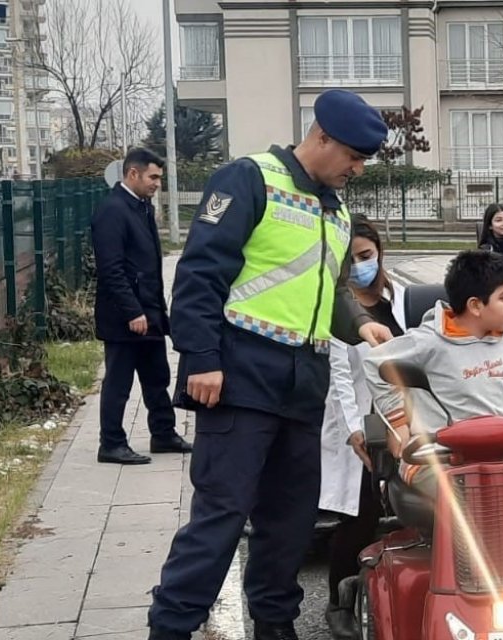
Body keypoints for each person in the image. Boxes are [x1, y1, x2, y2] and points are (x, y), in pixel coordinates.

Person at [147, 89, 395, 640]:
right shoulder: (249, 179)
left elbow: (325, 291)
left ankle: (275, 624)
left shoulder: (336, 209)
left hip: (302, 386)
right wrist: (201, 359)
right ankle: (172, 626)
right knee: (222, 516)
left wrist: (359, 325)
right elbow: (199, 275)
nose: (357, 168)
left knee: (289, 521)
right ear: (321, 136)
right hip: (241, 377)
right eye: (353, 156)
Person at [363, 250, 503, 498]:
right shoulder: (428, 341)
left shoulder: (499, 337)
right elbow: (373, 363)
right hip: (434, 459)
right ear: (475, 306)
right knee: (475, 497)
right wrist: (397, 423)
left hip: (490, 456)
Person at [319, 215, 405, 640]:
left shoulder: (398, 297)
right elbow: (339, 378)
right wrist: (355, 430)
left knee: (410, 502)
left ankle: (398, 589)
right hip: (359, 424)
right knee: (359, 512)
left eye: (366, 256)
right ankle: (339, 601)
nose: (359, 266)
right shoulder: (341, 310)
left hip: (402, 420)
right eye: (351, 260)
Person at [90, 148, 189, 465]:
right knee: (119, 382)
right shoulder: (113, 211)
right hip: (124, 317)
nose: (157, 183)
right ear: (133, 174)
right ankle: (111, 443)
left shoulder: (141, 207)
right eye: (153, 177)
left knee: (157, 375)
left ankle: (163, 433)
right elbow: (111, 269)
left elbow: (148, 267)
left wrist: (158, 312)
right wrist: (132, 311)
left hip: (149, 313)